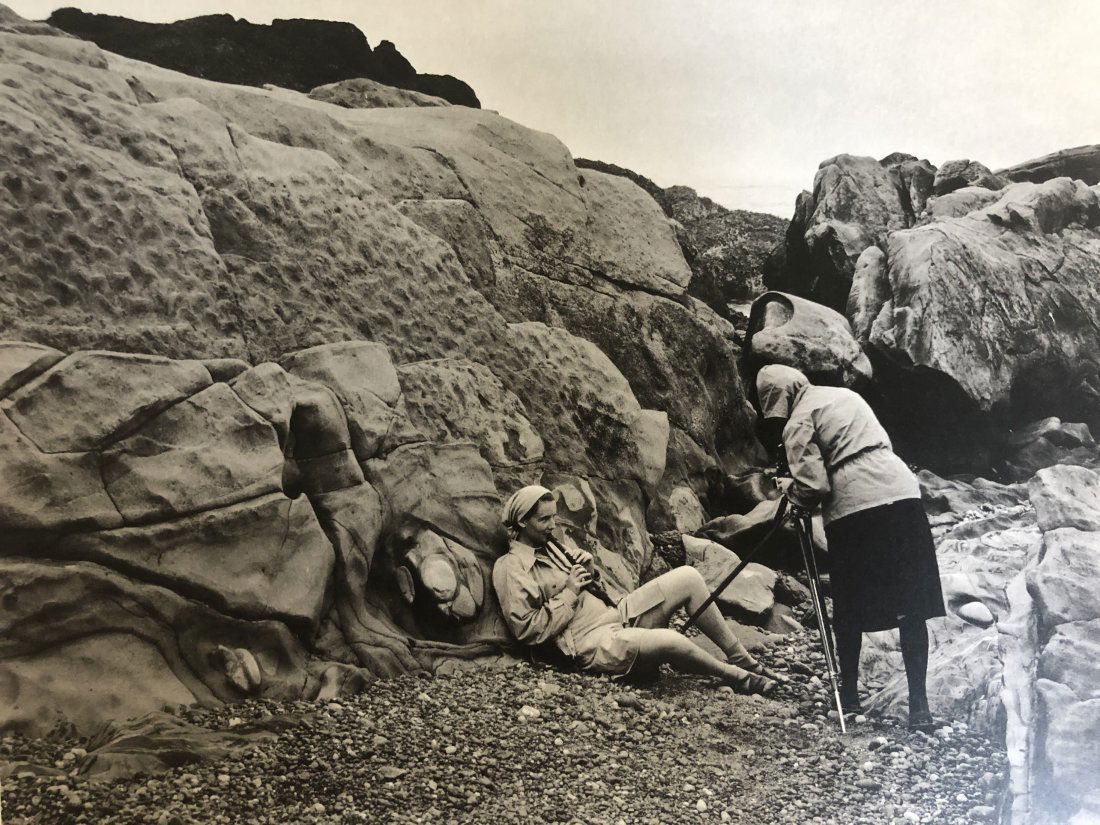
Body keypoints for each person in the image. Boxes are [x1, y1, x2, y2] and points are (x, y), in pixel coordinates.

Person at [755, 364, 945, 731]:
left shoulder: (798, 421)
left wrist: (788, 490)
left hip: (856, 508)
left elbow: (814, 487)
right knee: (910, 605)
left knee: (850, 607)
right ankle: (919, 708)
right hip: (902, 493)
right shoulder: (845, 396)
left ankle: (850, 696)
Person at [492, 485, 783, 694]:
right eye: (544, 520)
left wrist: (590, 569)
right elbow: (527, 631)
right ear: (521, 522)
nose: (553, 525)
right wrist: (569, 591)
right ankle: (739, 678)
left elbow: (591, 589)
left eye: (553, 517)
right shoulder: (510, 567)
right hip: (593, 643)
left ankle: (743, 659)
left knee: (688, 576)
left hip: (618, 613)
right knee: (671, 641)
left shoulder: (552, 547)